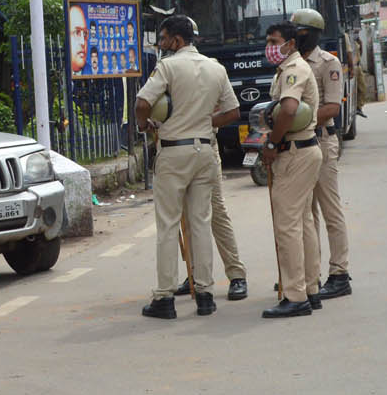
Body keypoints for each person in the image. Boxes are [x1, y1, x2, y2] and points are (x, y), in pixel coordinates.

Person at [136, 16, 237, 319]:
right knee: (201, 222)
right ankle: (204, 294)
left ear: (177, 41)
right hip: (204, 150)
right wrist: (206, 123)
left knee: (168, 225)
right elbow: (232, 111)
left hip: (173, 152)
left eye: (165, 39)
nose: (162, 44)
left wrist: (146, 125)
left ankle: (165, 297)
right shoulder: (215, 68)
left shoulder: (167, 66)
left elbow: (142, 102)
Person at [259, 21, 322, 319]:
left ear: (291, 44)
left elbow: (288, 110)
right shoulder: (287, 68)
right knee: (303, 221)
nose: (270, 46)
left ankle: (295, 295)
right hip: (304, 149)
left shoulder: (293, 69)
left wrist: (272, 143)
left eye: (274, 40)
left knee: (287, 224)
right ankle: (310, 288)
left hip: (295, 151)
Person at [292, 8, 351, 300]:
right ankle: (308, 276)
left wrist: (296, 121)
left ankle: (339, 272)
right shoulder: (291, 63)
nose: (296, 36)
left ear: (313, 33)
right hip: (297, 146)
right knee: (305, 213)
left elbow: (332, 108)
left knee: (330, 210)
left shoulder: (329, 63)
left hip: (321, 140)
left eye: (300, 32)